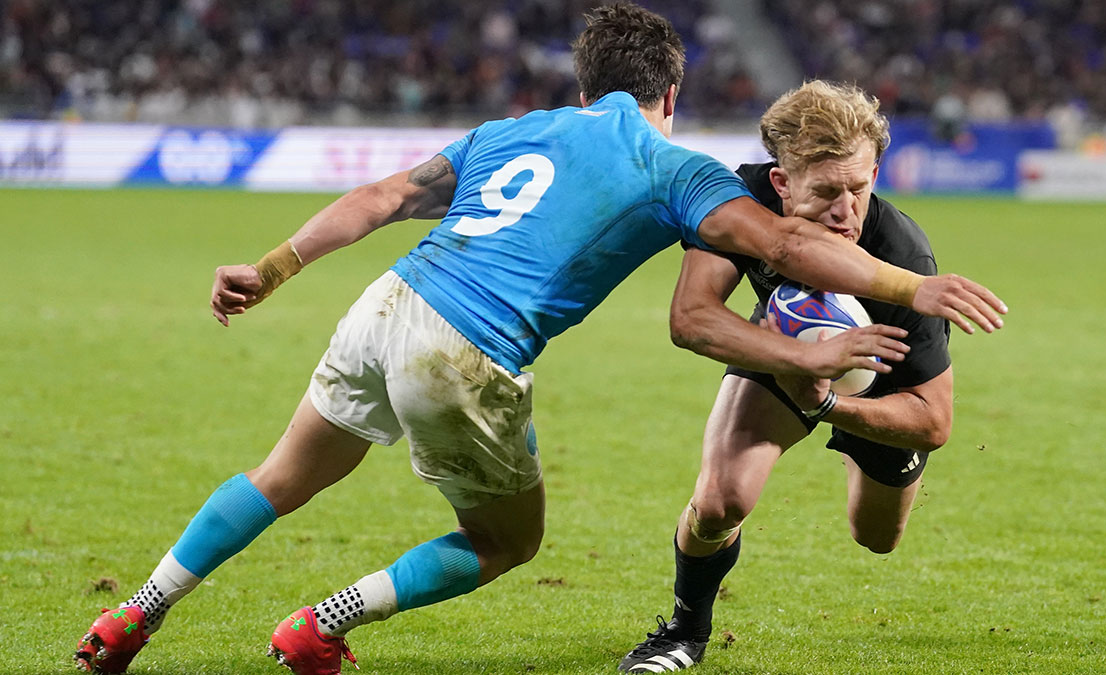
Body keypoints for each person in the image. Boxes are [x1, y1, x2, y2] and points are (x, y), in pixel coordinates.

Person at [73, 5, 1005, 674]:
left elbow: (382, 198)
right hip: (464, 351)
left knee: (279, 474)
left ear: (587, 86)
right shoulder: (668, 164)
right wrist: (914, 288)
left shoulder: (510, 130)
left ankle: (132, 614)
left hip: (387, 301)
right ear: (669, 95)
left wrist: (272, 267)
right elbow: (786, 245)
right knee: (507, 540)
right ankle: (319, 625)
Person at [619, 80, 961, 672]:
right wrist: (803, 364)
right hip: (783, 347)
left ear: (876, 172)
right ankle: (683, 633)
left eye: (859, 187)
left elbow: (932, 421)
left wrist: (828, 405)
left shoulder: (904, 257)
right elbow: (692, 317)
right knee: (720, 501)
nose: (845, 210)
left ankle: (850, 439)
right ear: (782, 183)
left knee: (875, 537)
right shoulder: (739, 200)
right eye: (827, 191)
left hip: (879, 379)